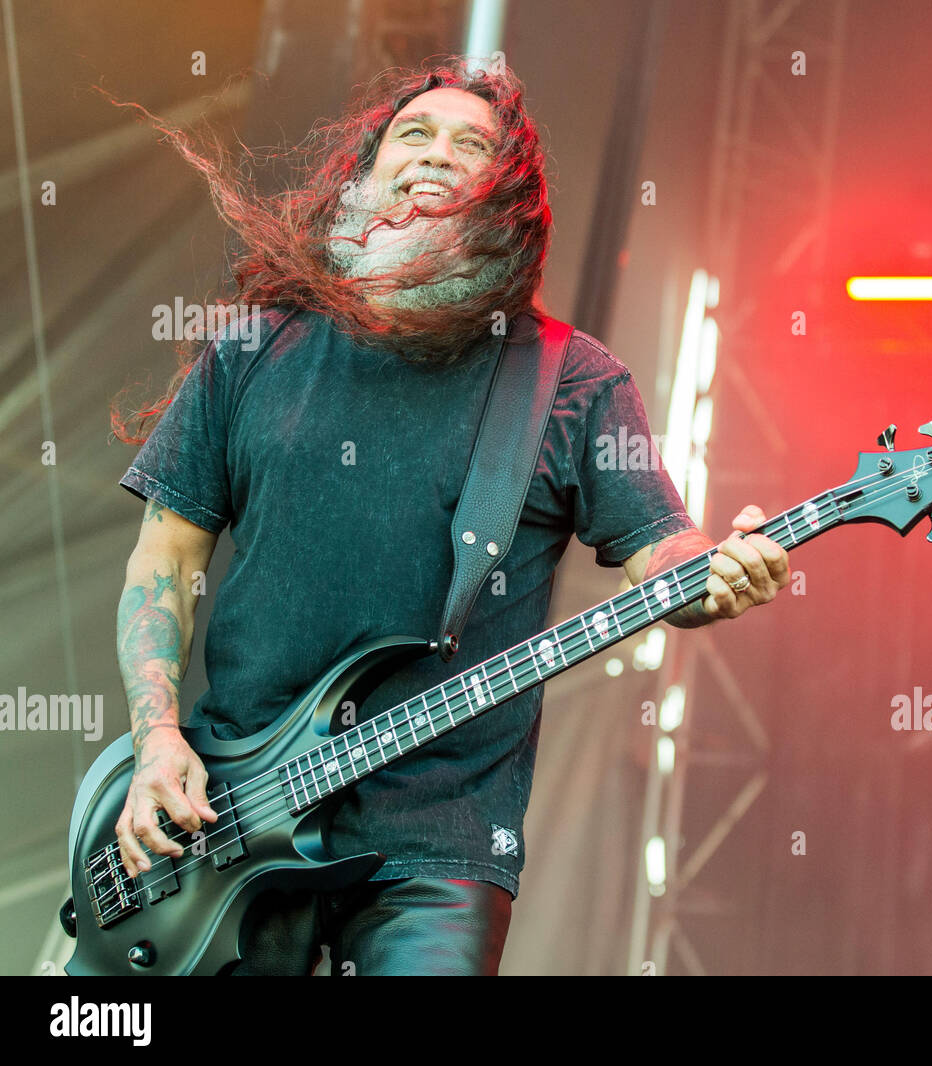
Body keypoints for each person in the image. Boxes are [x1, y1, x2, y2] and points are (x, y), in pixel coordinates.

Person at [110, 58, 790, 975]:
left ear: (506, 199)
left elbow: (660, 553)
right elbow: (168, 550)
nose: (437, 155)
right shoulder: (259, 341)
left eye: (473, 145)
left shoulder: (570, 381)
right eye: (415, 134)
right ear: (365, 168)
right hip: (230, 816)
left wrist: (718, 571)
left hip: (440, 845)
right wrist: (157, 737)